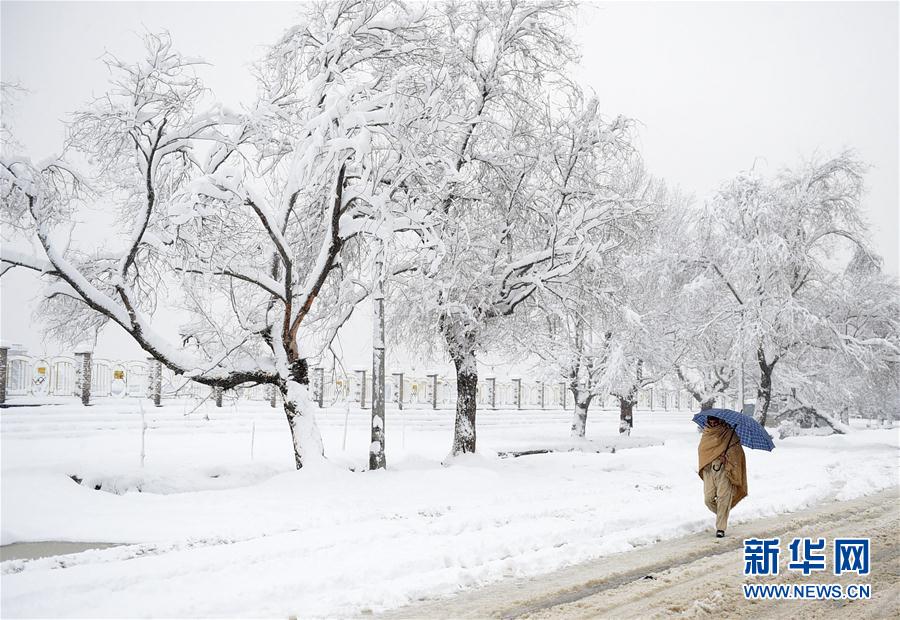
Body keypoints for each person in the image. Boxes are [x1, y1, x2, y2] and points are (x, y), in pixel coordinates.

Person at [698, 416, 747, 537]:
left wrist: (727, 458)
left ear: (720, 421)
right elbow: (702, 451)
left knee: (723, 498)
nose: (713, 423)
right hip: (709, 469)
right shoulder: (706, 434)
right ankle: (722, 512)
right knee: (708, 499)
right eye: (711, 421)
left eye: (715, 421)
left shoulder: (730, 434)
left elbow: (737, 453)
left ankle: (721, 528)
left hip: (725, 470)